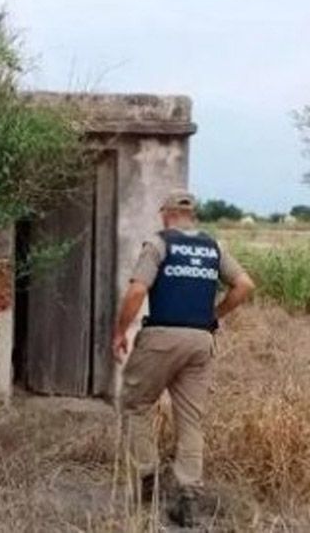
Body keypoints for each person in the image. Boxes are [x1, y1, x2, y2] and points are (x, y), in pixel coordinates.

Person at [111, 189, 256, 526]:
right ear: (192, 215)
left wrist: (120, 332)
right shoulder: (214, 247)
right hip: (200, 341)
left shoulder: (160, 244)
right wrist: (214, 316)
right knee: (191, 420)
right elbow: (245, 285)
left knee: (135, 403)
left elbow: (136, 290)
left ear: (166, 213)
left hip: (162, 336)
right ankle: (189, 498)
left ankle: (146, 479)